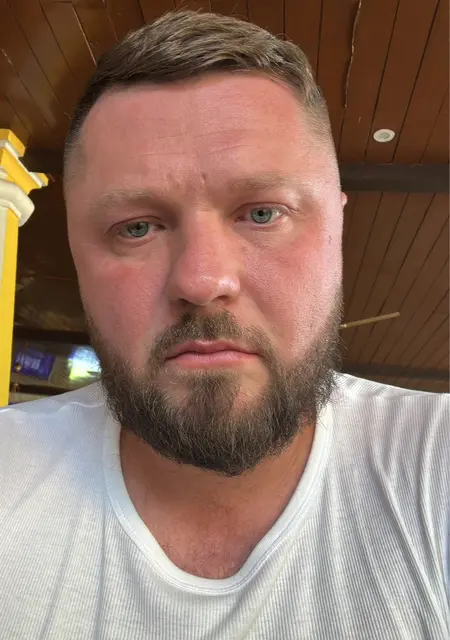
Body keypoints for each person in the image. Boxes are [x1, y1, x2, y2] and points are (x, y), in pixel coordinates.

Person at [0, 10, 448, 640]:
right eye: (137, 227)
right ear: (76, 252)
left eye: (262, 213)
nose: (203, 280)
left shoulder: (434, 469)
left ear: (338, 225)